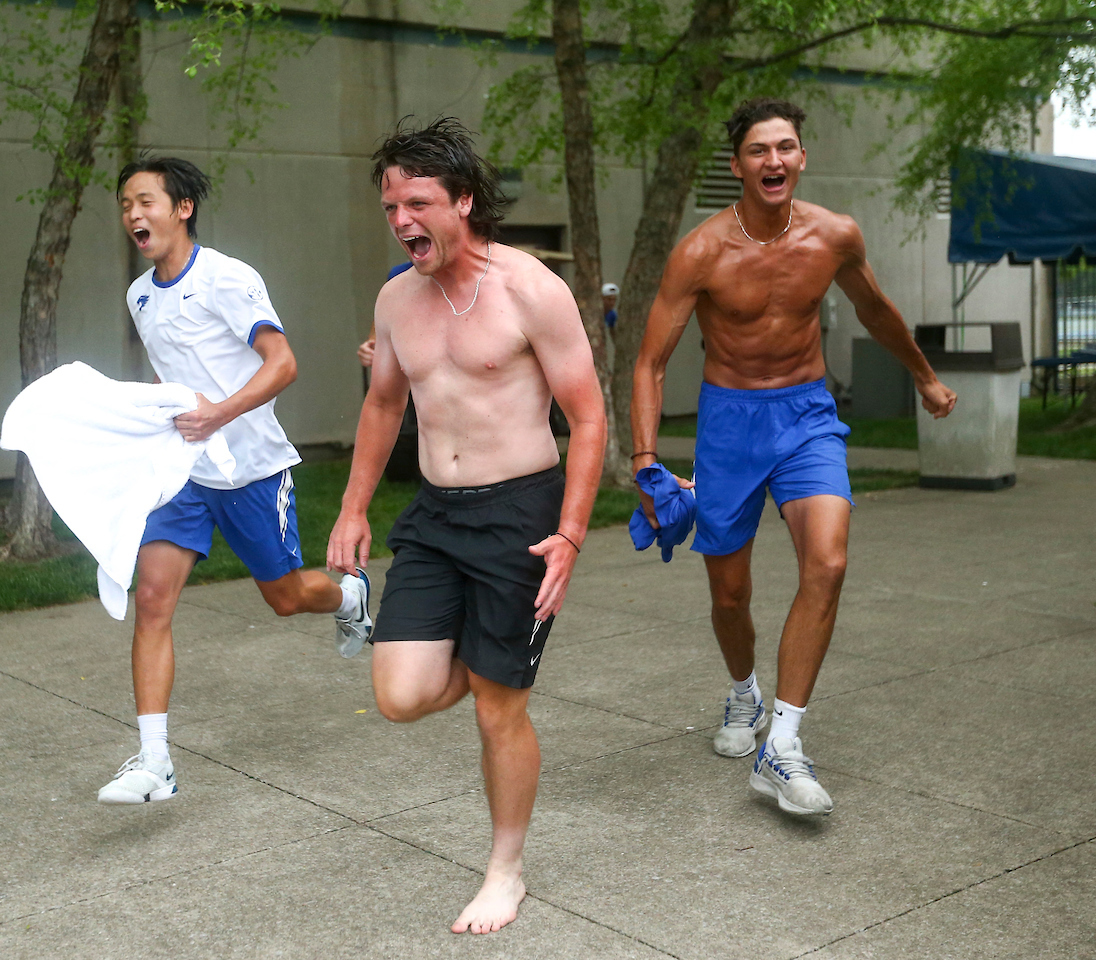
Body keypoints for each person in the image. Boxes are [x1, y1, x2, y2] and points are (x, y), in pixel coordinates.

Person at [631, 98, 956, 817]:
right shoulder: (702, 251)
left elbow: (875, 310)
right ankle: (742, 692)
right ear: (737, 165)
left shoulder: (834, 236)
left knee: (830, 561)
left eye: (785, 148)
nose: (773, 161)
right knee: (730, 596)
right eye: (758, 150)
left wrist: (924, 376)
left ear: (802, 156)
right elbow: (651, 362)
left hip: (808, 415)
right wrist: (647, 461)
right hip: (729, 425)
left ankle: (782, 744)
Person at [327, 118, 606, 934]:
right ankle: (490, 660)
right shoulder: (395, 299)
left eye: (419, 202)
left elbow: (588, 419)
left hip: (521, 514)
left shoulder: (530, 290)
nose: (402, 220)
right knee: (400, 696)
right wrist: (352, 506)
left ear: (465, 201)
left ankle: (505, 870)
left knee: (497, 711)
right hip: (437, 516)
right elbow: (383, 404)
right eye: (390, 207)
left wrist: (572, 534)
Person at [97, 157, 373, 806]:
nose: (134, 214)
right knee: (154, 600)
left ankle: (349, 600)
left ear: (182, 207)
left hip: (251, 469)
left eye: (145, 201)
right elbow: (176, 377)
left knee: (283, 596)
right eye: (125, 205)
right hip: (183, 475)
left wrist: (218, 413)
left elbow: (282, 364)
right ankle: (155, 761)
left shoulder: (226, 278)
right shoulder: (139, 296)